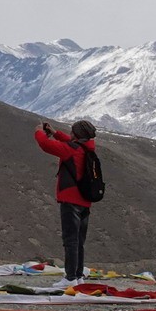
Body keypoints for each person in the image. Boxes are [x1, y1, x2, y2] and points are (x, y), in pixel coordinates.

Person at [34, 119, 98, 289]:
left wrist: (39, 131)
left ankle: (69, 278)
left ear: (76, 135)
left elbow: (45, 145)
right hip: (85, 201)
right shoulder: (87, 148)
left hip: (70, 200)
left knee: (70, 240)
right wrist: (55, 133)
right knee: (79, 241)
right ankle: (77, 276)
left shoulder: (71, 150)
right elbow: (69, 142)